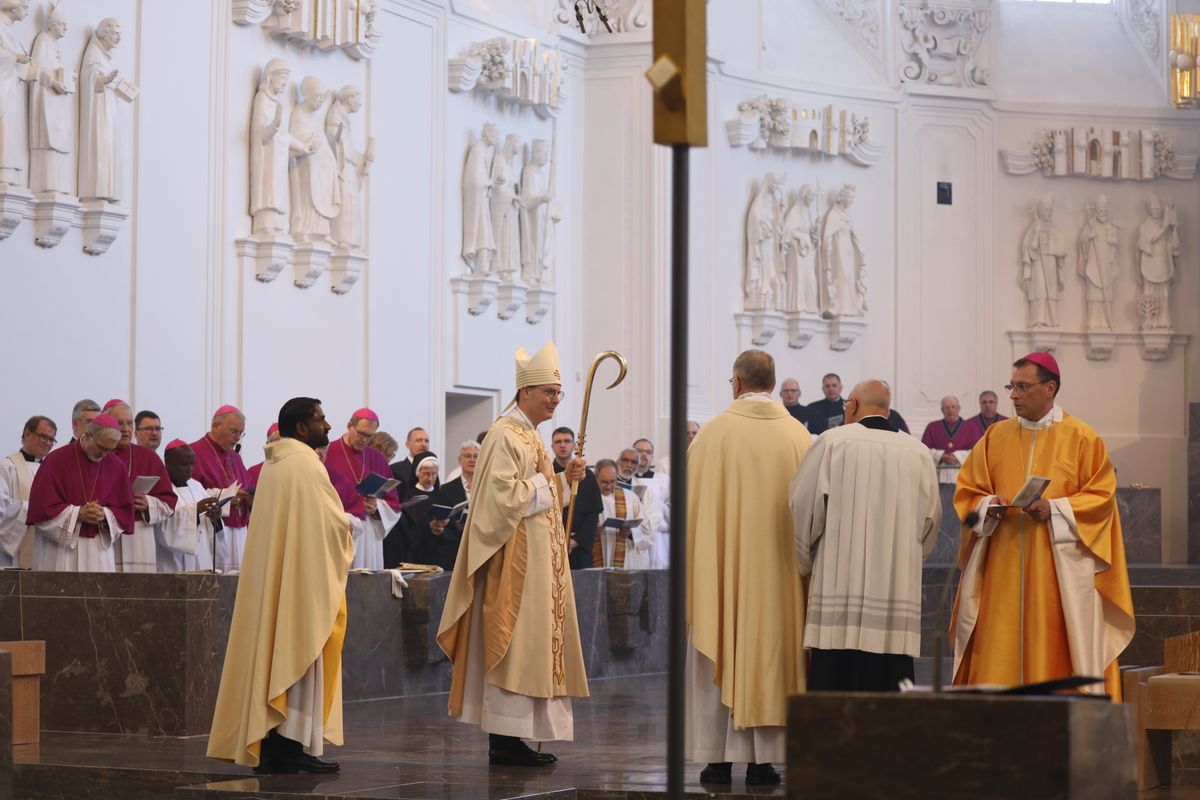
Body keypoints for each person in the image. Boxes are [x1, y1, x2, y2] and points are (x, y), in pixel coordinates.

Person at [437, 341, 589, 767]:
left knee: (535, 644)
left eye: (559, 394)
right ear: (525, 392)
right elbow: (499, 502)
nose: (555, 400)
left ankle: (518, 735)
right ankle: (505, 738)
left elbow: (537, 492)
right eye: (549, 392)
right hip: (515, 565)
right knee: (518, 645)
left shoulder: (531, 434)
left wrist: (562, 481)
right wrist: (549, 483)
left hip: (541, 562)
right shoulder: (505, 434)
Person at [950, 352, 1135, 698]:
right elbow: (968, 491)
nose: (1013, 395)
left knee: (1058, 646)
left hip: (1057, 571)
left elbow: (1101, 497)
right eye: (1012, 386)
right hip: (1001, 570)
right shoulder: (994, 437)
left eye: (1023, 387)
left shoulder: (1082, 438)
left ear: (1049, 388)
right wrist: (989, 505)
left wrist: (1056, 508)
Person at [686, 349, 813, 786]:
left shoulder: (711, 435)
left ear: (737, 383)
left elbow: (691, 509)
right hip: (779, 578)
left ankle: (717, 759)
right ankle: (764, 761)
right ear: (774, 384)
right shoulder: (800, 437)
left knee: (718, 638)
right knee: (774, 656)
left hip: (721, 573)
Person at [207, 397, 354, 774]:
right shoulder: (305, 465)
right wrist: (348, 526)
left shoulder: (276, 463)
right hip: (303, 584)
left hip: (285, 578)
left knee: (277, 653)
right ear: (302, 427)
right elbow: (330, 524)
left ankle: (279, 746)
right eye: (321, 419)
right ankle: (291, 747)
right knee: (298, 653)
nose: (328, 426)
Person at [791, 379, 941, 692]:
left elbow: (805, 507)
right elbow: (930, 522)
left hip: (838, 584)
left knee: (835, 685)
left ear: (853, 406)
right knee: (888, 689)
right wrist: (908, 558)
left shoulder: (833, 442)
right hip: (893, 591)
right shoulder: (919, 453)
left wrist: (806, 559)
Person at [26, 414, 134, 572]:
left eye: (110, 450)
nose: (104, 455)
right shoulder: (56, 460)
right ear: (88, 435)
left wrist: (104, 514)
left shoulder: (116, 466)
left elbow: (124, 511)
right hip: (60, 550)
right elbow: (41, 509)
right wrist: (78, 513)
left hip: (98, 551)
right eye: (102, 448)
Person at [323, 408, 401, 571]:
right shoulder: (328, 452)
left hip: (369, 533)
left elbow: (393, 502)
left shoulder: (377, 458)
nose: (365, 440)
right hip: (340, 528)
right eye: (361, 434)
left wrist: (376, 507)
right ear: (349, 425)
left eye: (370, 436)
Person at [104, 400, 177, 573]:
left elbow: (169, 502)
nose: (125, 429)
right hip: (105, 533)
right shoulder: (98, 455)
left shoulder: (149, 458)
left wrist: (147, 504)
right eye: (119, 423)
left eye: (129, 423)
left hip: (139, 538)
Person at [191, 405, 255, 572]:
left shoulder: (235, 456)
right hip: (214, 530)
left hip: (239, 531)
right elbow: (189, 493)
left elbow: (247, 484)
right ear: (216, 426)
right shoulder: (194, 452)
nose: (237, 438)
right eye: (234, 432)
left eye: (241, 433)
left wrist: (248, 497)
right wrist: (227, 496)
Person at [0, 415, 57, 568]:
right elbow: (2, 508)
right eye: (43, 437)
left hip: (47, 546)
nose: (48, 443)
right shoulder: (6, 466)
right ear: (27, 433)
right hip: (16, 550)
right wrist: (34, 511)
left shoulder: (54, 471)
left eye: (52, 440)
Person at [155, 440, 219, 573]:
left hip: (201, 555)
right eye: (184, 464)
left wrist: (213, 517)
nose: (190, 469)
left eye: (192, 464)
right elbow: (160, 525)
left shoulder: (197, 486)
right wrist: (195, 511)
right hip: (172, 560)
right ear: (167, 463)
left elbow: (208, 526)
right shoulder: (160, 487)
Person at [551, 427, 602, 571]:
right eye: (558, 442)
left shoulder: (587, 476)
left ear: (574, 445)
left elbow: (593, 515)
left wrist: (574, 541)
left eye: (567, 441)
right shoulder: (546, 473)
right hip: (552, 545)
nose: (562, 445)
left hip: (580, 547)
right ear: (552, 447)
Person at [428, 442, 479, 571]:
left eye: (476, 456)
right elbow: (440, 521)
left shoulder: (488, 487)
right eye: (467, 456)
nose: (472, 460)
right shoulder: (446, 489)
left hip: (481, 546)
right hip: (454, 551)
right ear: (459, 460)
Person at [592, 459, 652, 569]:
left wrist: (630, 533)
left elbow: (646, 528)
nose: (609, 486)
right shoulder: (587, 497)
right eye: (605, 482)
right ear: (596, 478)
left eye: (613, 481)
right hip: (595, 554)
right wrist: (591, 531)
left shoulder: (630, 497)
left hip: (625, 557)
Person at [396, 451, 441, 567]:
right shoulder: (409, 496)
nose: (430, 478)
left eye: (434, 474)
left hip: (437, 552)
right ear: (417, 473)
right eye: (426, 474)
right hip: (415, 552)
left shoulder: (442, 495)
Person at [632, 438, 670, 569]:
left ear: (652, 457)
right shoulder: (626, 480)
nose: (644, 455)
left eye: (648, 452)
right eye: (639, 451)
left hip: (659, 538)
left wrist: (655, 506)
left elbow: (671, 509)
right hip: (635, 537)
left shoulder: (663, 480)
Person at [920, 395, 970, 483]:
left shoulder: (971, 427)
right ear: (942, 410)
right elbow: (923, 450)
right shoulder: (932, 427)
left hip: (964, 477)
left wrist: (958, 456)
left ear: (959, 408)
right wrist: (941, 456)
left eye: (953, 406)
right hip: (938, 476)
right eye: (946, 407)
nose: (950, 410)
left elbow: (977, 452)